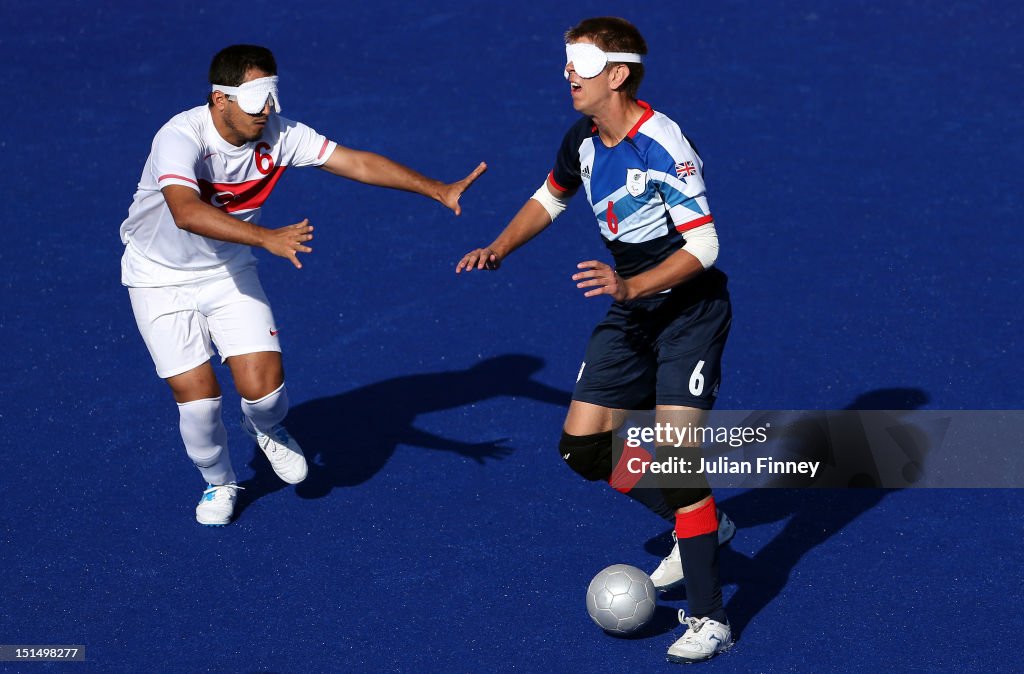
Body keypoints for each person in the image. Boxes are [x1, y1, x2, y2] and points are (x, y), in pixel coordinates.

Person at [456, 17, 734, 663]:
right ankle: (701, 523)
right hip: (630, 306)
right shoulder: (582, 139)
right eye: (566, 62)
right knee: (584, 448)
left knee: (677, 456)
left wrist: (633, 288)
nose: (568, 74)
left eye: (580, 63)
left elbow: (705, 244)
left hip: (688, 311)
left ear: (618, 73)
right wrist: (499, 247)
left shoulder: (663, 144)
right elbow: (551, 199)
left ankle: (711, 616)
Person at [121, 45, 485, 527]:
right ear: (219, 99)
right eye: (255, 99)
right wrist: (265, 237)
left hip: (227, 270)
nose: (267, 109)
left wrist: (435, 187)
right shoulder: (180, 136)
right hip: (157, 279)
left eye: (271, 95)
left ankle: (265, 428)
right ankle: (220, 481)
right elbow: (185, 212)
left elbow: (354, 162)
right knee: (200, 401)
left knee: (266, 393)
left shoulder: (279, 134)